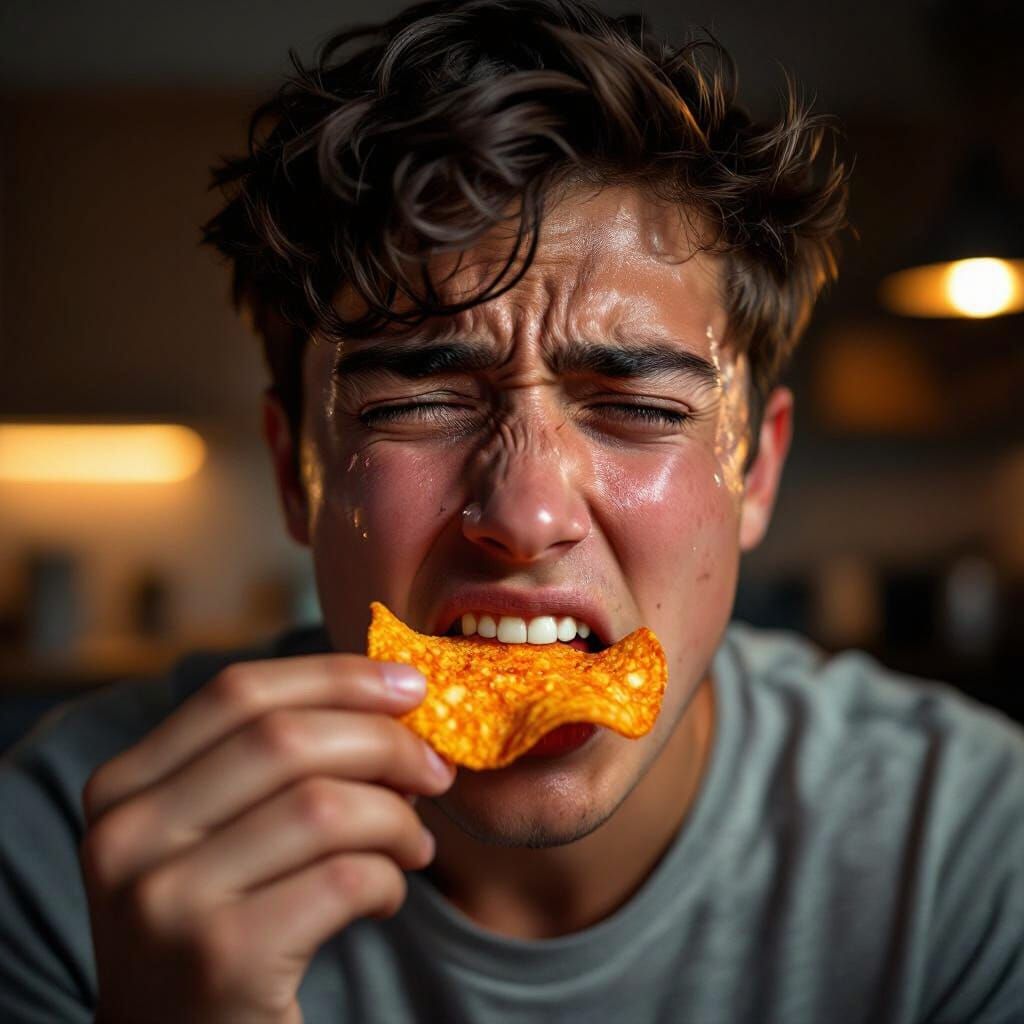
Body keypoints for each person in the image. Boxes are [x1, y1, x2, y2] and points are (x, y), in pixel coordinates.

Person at [1, 1, 1022, 1021]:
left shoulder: (972, 853)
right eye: (419, 403)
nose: (526, 513)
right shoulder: (64, 857)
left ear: (754, 471)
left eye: (638, 408)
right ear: (293, 470)